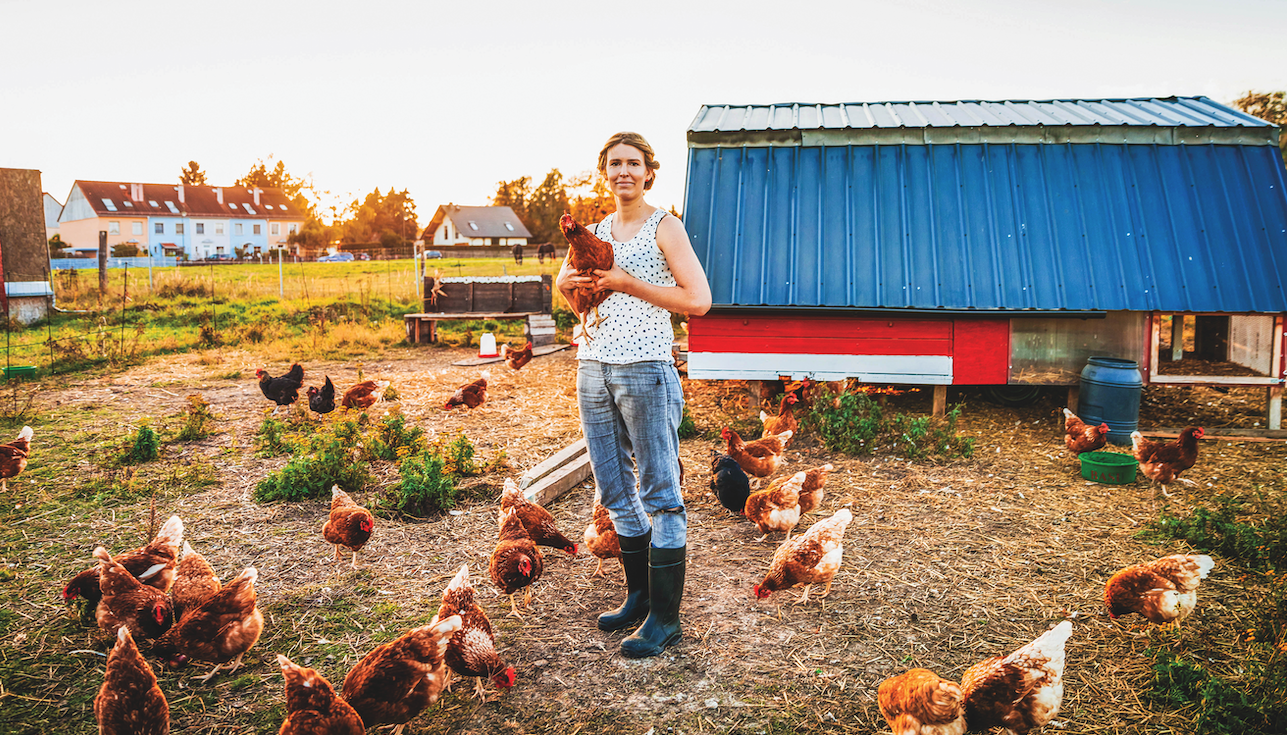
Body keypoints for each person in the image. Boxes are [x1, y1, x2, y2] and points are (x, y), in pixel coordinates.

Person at [556, 132, 711, 658]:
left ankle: (666, 619)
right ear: (605, 171)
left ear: (648, 172)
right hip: (593, 366)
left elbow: (699, 300)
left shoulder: (665, 226)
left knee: (661, 492)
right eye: (615, 163)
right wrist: (572, 287)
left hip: (645, 367)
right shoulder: (595, 230)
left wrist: (625, 282)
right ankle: (639, 598)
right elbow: (572, 294)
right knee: (615, 491)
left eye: (634, 163)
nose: (624, 171)